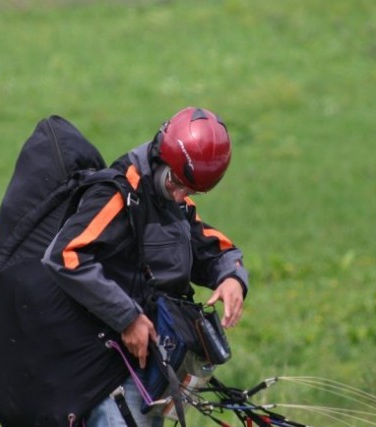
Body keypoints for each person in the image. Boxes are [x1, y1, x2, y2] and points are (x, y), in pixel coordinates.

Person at [41, 106, 249, 426]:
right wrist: (127, 318)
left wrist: (232, 276)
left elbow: (215, 248)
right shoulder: (117, 195)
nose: (182, 196)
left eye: (191, 191)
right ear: (162, 157)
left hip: (149, 368)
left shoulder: (174, 203)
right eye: (176, 184)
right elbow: (64, 255)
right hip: (110, 372)